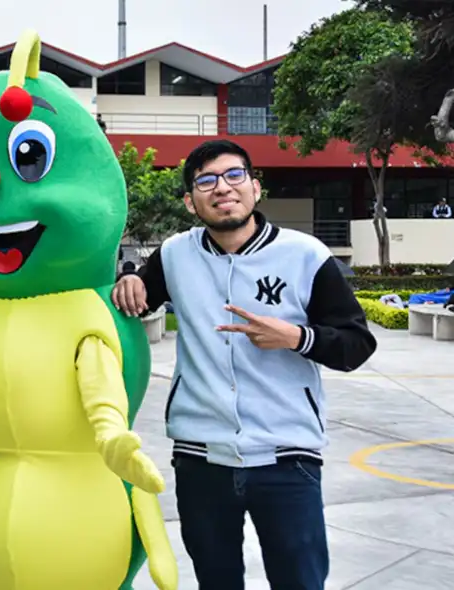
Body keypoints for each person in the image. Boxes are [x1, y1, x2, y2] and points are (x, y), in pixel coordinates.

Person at [111, 139, 377, 590]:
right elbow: (139, 291)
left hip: (286, 460)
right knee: (216, 582)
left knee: (300, 582)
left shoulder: (305, 255)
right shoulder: (175, 254)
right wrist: (131, 278)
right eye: (206, 181)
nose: (223, 189)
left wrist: (295, 337)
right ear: (191, 202)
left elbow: (357, 343)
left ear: (255, 188)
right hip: (201, 459)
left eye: (234, 176)